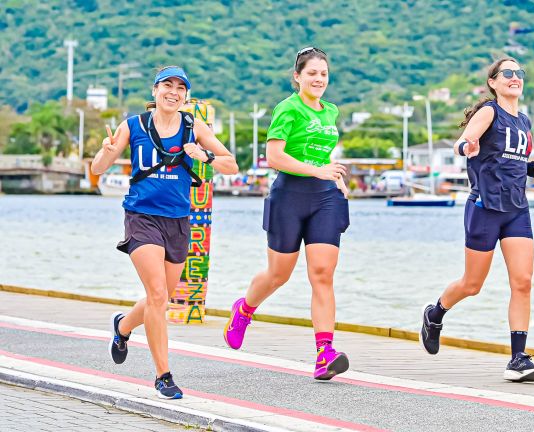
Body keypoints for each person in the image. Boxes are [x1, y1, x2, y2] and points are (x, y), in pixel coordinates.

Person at [91, 66, 238, 398]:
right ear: (155, 91)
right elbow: (98, 171)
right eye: (167, 85)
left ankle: (122, 326)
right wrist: (107, 151)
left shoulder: (193, 127)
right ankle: (163, 375)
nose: (173, 92)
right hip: (142, 217)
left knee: (164, 297)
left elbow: (232, 164)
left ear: (186, 96)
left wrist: (205, 154)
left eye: (180, 88)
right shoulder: (132, 126)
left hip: (178, 220)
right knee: (157, 295)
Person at [419, 58, 534, 382]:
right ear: (493, 83)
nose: (515, 78)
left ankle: (518, 359)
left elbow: (513, 162)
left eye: (519, 74)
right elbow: (464, 143)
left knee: (523, 282)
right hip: (484, 208)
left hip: (516, 210)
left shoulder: (524, 122)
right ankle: (435, 313)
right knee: (472, 285)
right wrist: (466, 146)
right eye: (507, 73)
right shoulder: (489, 113)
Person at [223, 47, 351, 381]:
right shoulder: (288, 109)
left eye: (323, 73)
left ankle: (325, 354)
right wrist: (317, 170)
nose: (319, 79)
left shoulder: (330, 111)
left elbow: (323, 158)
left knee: (322, 273)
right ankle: (244, 309)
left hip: (325, 198)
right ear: (297, 77)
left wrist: (333, 177)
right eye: (312, 73)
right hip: (289, 198)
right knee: (279, 274)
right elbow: (274, 157)